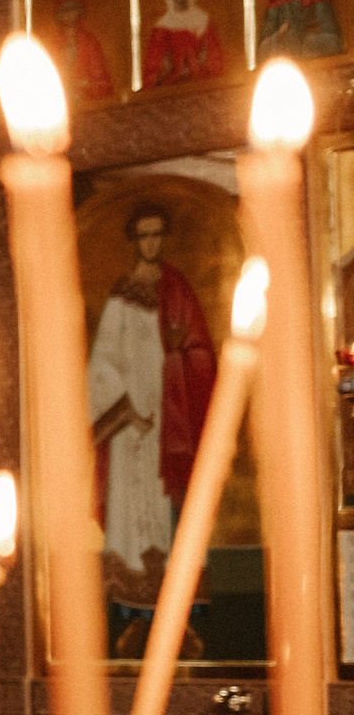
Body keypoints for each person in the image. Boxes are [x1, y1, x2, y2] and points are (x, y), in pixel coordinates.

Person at [87, 202, 215, 581]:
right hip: (130, 418)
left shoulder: (177, 289)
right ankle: (132, 583)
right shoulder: (123, 292)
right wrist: (126, 412)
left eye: (157, 234)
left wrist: (179, 357)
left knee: (162, 502)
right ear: (134, 239)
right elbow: (103, 360)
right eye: (144, 235)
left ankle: (170, 579)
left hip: (168, 413)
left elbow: (203, 352)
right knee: (131, 502)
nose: (151, 243)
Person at [143, 0, 225, 87]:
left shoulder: (202, 20)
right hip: (171, 90)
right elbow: (151, 70)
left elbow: (216, 61)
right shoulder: (162, 27)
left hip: (202, 87)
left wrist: (203, 65)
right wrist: (164, 70)